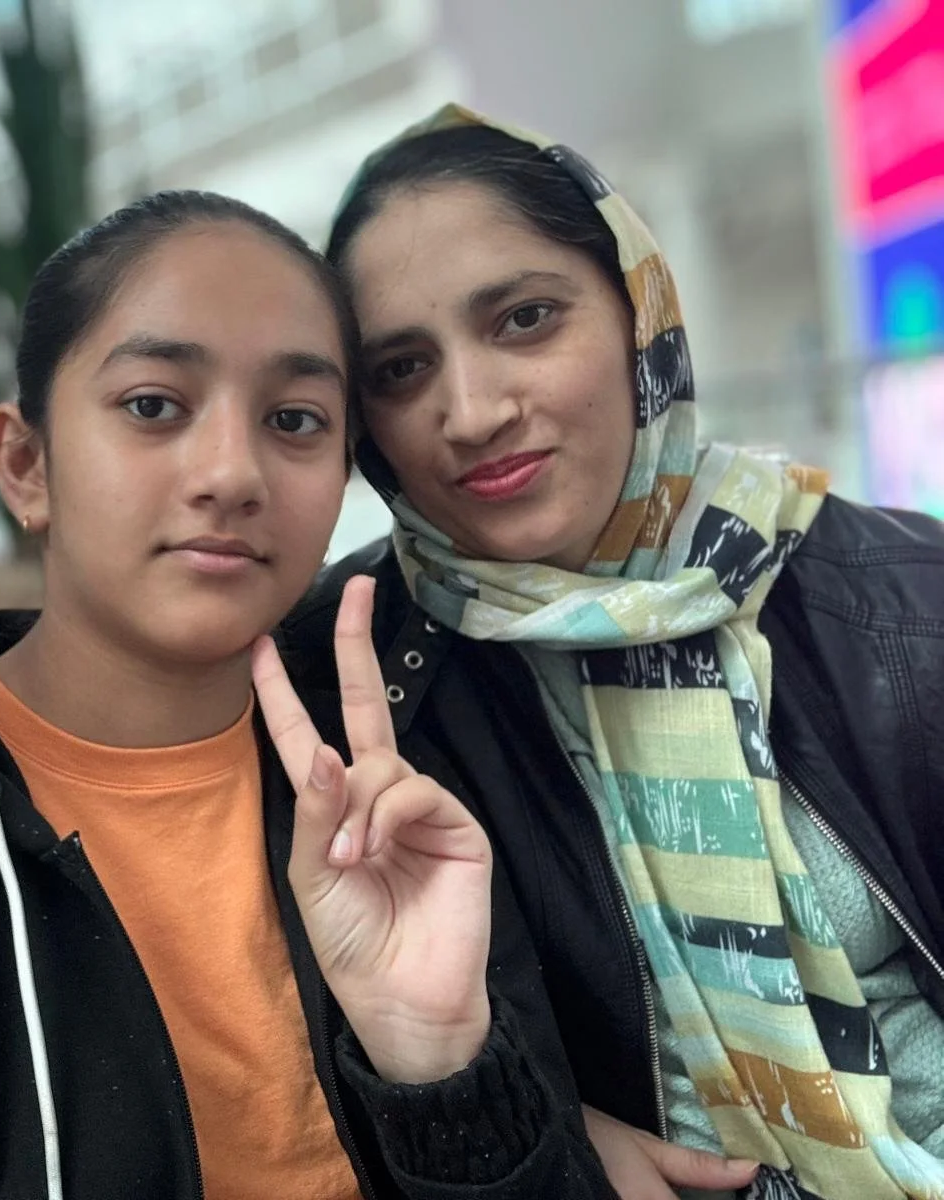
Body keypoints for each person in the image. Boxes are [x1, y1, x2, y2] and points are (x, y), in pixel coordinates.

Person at [0, 189, 613, 1199]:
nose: (232, 473)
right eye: (153, 406)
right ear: (25, 464)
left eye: (294, 420)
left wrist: (442, 1064)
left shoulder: (392, 791)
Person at [283, 102, 944, 1200]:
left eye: (525, 319)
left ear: (639, 312)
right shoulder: (350, 693)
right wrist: (532, 1116)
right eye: (399, 369)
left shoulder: (898, 597)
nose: (471, 411)